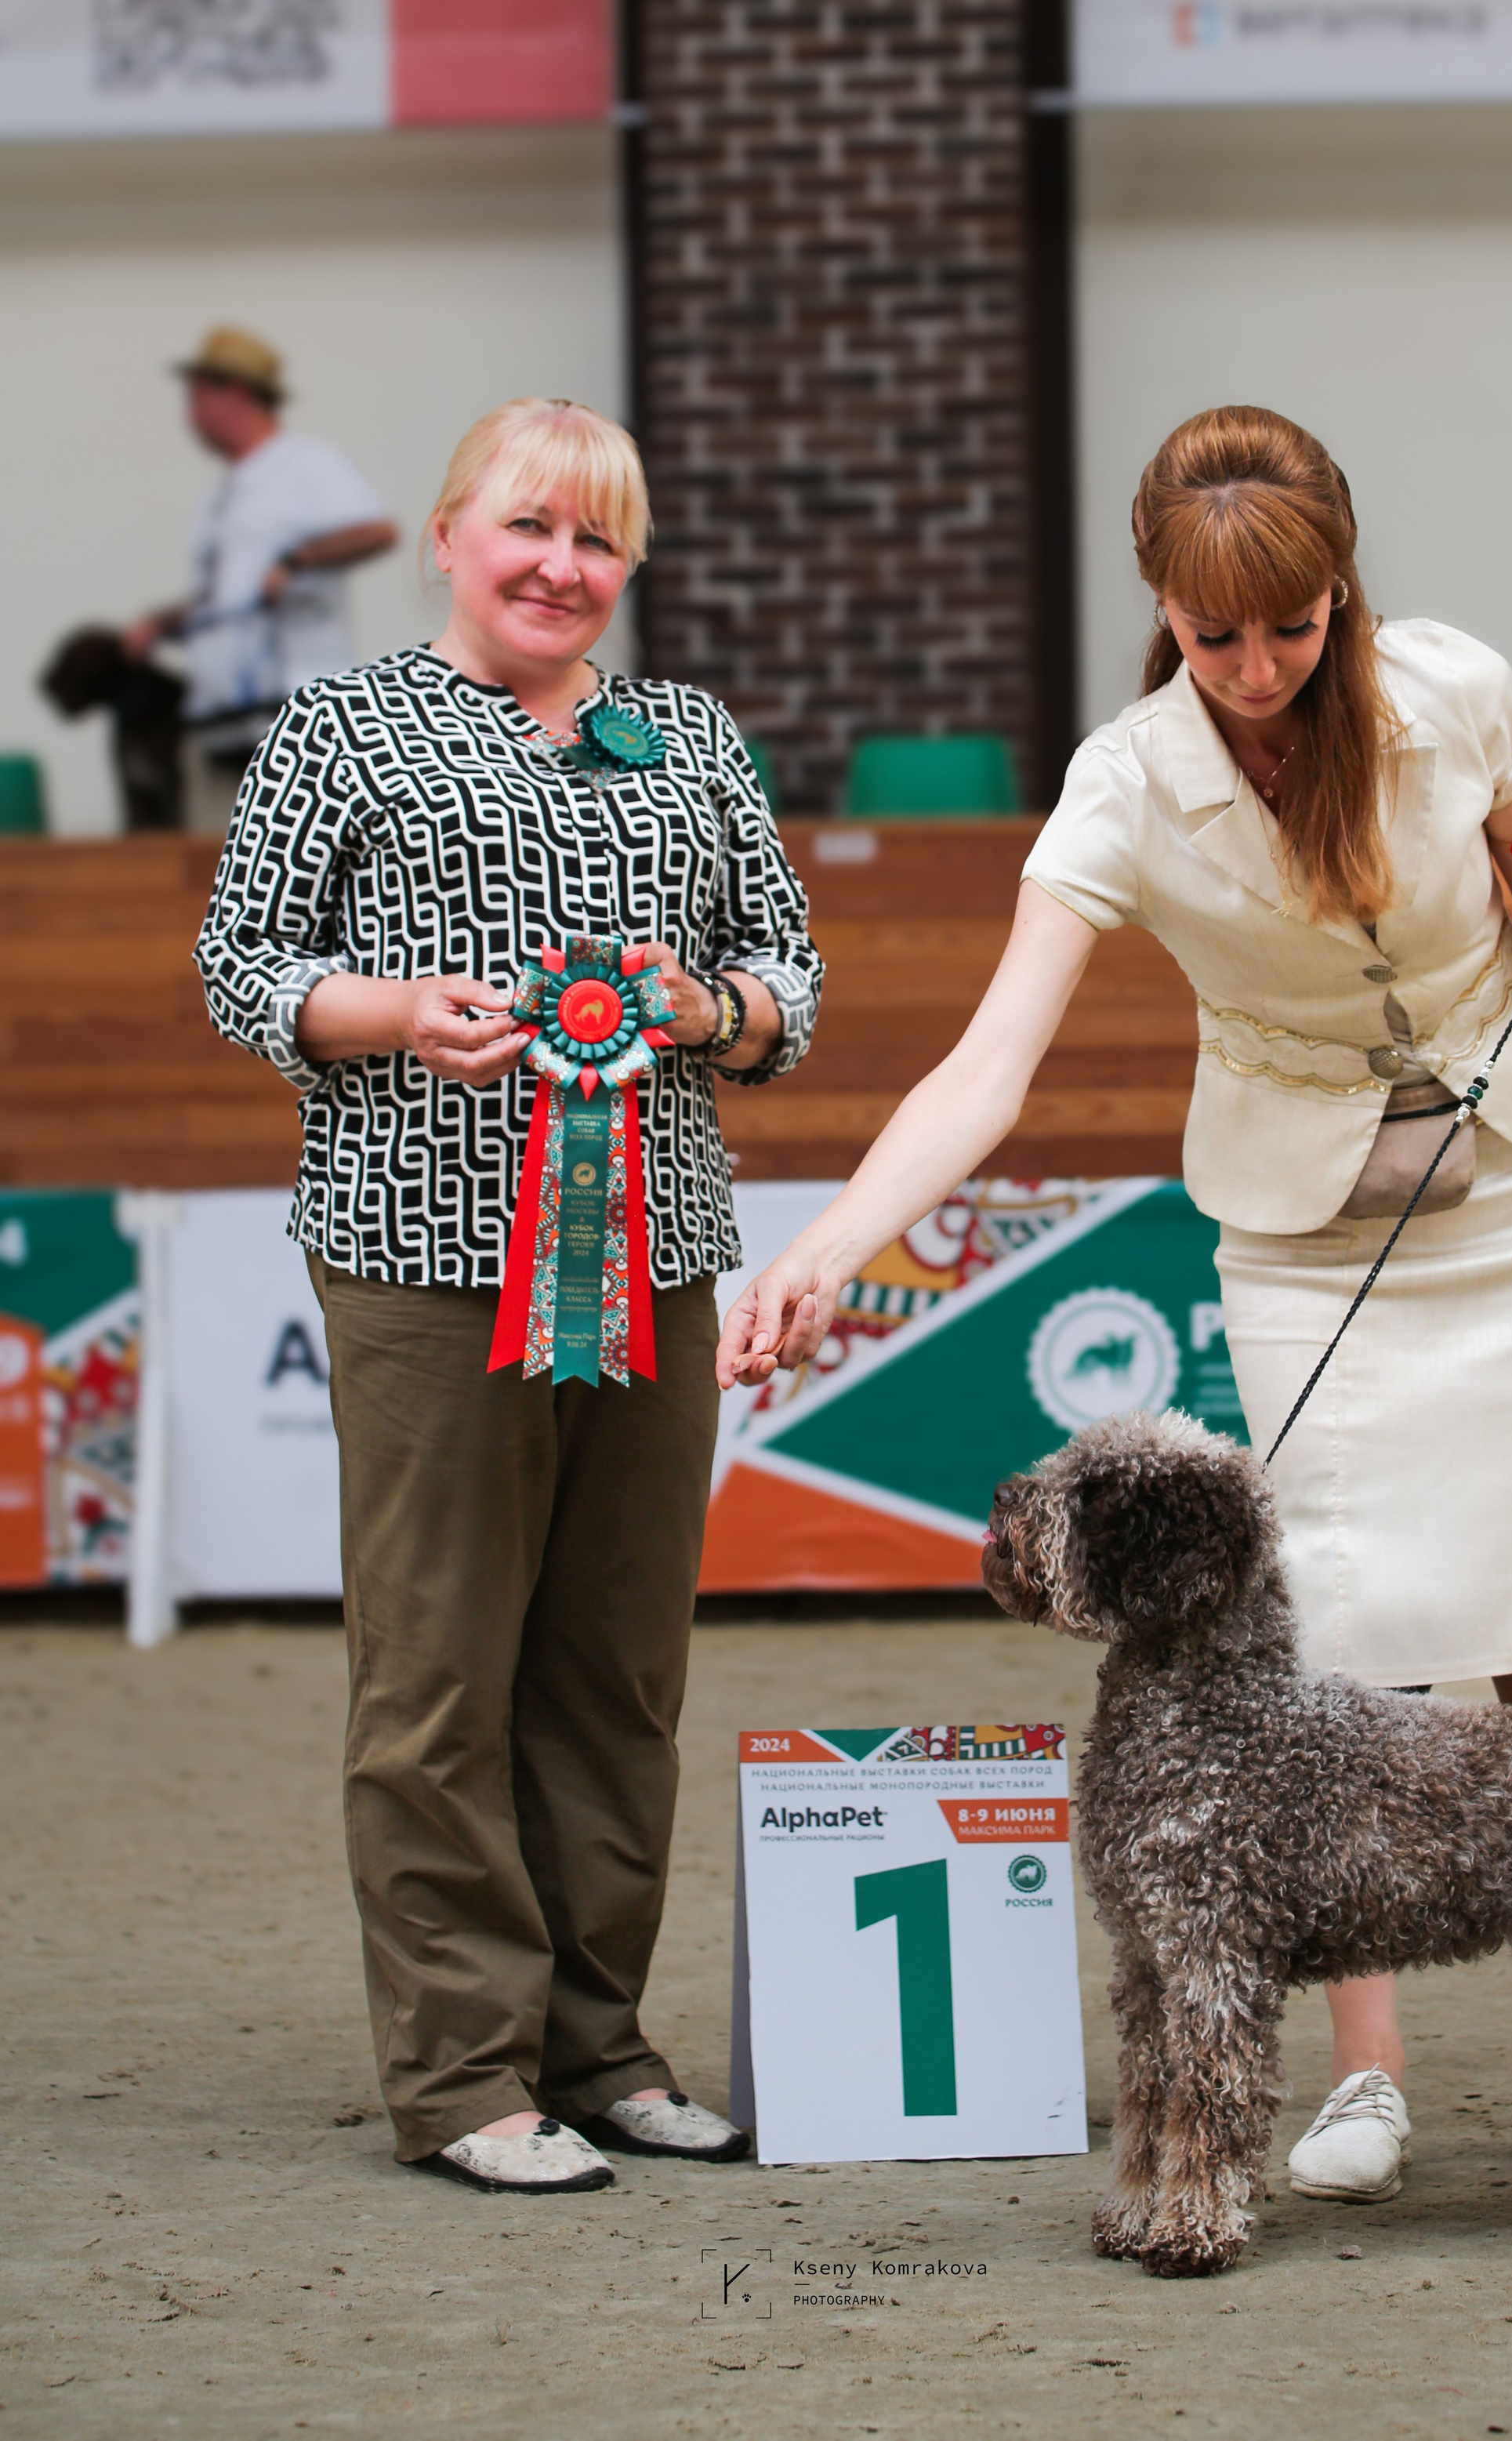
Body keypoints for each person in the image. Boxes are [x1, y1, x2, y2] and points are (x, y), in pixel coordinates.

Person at [717, 404, 1512, 2207]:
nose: (1250, 666)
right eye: (1212, 630)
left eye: (1287, 625)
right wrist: (829, 1243)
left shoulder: (1457, 691)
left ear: (1338, 588)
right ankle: (1362, 2079)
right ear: (1157, 598)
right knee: (1333, 1630)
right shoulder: (1122, 782)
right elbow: (987, 1063)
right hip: (1306, 1228)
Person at [194, 397, 823, 2195]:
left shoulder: (691, 732)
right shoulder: (336, 722)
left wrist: (707, 1010)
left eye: (601, 538)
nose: (565, 565)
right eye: (532, 526)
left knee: (617, 1670)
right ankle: (463, 2067)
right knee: (439, 1669)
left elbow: (786, 961)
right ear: (450, 533)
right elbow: (242, 963)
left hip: (655, 1247)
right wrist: (391, 1010)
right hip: (418, 1254)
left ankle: (598, 2044)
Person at [125, 325, 398, 833]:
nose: (189, 415)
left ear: (233, 392)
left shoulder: (305, 466)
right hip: (221, 723)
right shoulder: (221, 494)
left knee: (294, 882)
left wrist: (295, 562)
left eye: (196, 397)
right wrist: (161, 623)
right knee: (213, 881)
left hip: (292, 719)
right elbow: (228, 598)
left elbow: (377, 531)